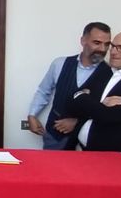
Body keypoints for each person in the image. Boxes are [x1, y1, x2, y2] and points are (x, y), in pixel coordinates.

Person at [26, 22, 111, 150]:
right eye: (97, 43)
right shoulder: (59, 64)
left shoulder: (111, 73)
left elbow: (107, 110)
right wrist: (32, 115)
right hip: (56, 134)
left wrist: (78, 122)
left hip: (90, 139)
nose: (103, 49)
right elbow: (43, 91)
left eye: (107, 44)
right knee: (52, 163)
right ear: (83, 41)